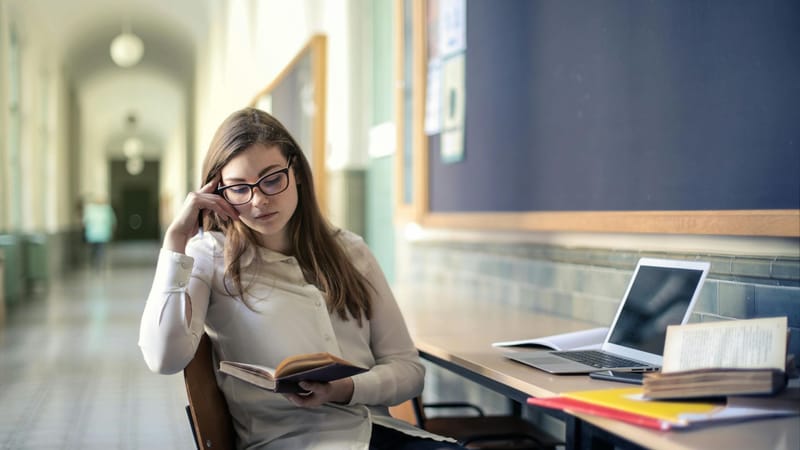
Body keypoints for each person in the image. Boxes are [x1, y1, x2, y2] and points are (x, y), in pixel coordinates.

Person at [138, 107, 466, 449]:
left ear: (295, 172)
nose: (260, 200)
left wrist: (344, 390)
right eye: (239, 188)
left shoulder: (350, 251)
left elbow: (409, 372)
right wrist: (176, 242)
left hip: (375, 434)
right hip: (286, 442)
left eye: (271, 179)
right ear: (218, 194)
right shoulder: (211, 255)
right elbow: (164, 358)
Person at [82, 195, 116, 269]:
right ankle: (98, 262)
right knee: (100, 249)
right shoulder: (106, 209)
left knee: (95, 249)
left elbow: (85, 222)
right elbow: (113, 221)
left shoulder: (90, 209)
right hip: (102, 234)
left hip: (92, 234)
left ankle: (95, 261)